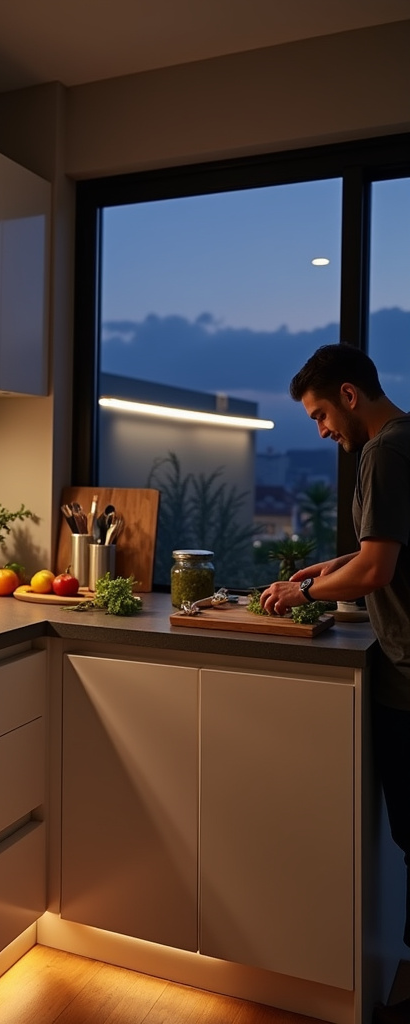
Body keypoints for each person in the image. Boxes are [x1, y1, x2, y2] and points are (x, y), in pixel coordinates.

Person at [260, 343, 410, 1024]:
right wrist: (331, 562)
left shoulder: (383, 451)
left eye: (320, 414)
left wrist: (303, 593)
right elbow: (381, 549)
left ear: (349, 397)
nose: (320, 429)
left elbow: (378, 573)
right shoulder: (404, 440)